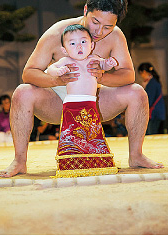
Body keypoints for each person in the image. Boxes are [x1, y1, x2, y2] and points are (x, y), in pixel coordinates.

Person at [0, 0, 163, 178]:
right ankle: (19, 160)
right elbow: (29, 73)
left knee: (137, 92)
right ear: (86, 10)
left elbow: (128, 75)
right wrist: (56, 80)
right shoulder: (57, 33)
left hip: (95, 103)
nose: (99, 31)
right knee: (22, 91)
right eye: (95, 22)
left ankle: (136, 155)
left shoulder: (116, 36)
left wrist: (103, 76)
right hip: (59, 103)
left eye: (108, 26)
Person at [47, 24, 118, 177]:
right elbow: (49, 70)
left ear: (92, 45)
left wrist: (109, 63)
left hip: (90, 103)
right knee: (72, 135)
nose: (79, 46)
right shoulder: (65, 60)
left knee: (92, 135)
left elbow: (104, 64)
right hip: (72, 104)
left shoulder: (94, 59)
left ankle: (96, 162)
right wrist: (58, 71)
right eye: (72, 43)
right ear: (65, 49)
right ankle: (70, 163)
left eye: (83, 42)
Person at [138, 62, 166, 135]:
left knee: (151, 134)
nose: (141, 76)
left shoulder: (151, 83)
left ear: (144, 72)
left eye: (141, 73)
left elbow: (149, 100)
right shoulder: (154, 81)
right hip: (156, 113)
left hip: (154, 114)